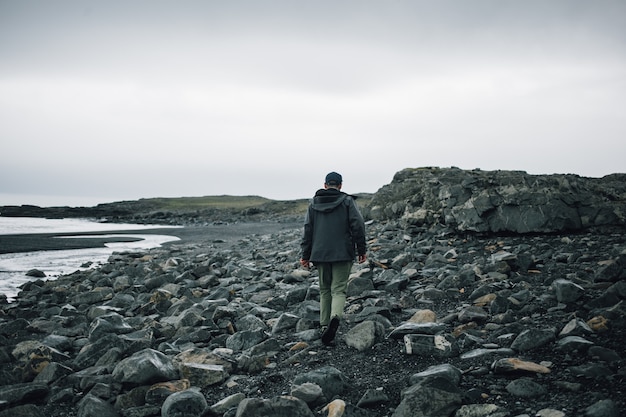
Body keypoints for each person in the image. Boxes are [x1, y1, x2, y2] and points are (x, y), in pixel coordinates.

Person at [300, 171, 367, 345]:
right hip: (343, 252)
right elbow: (358, 225)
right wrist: (361, 249)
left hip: (320, 253)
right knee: (338, 290)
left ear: (325, 185)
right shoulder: (347, 201)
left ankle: (324, 325)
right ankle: (335, 318)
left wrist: (305, 255)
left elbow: (308, 230)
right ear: (340, 185)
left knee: (324, 290)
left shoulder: (313, 203)